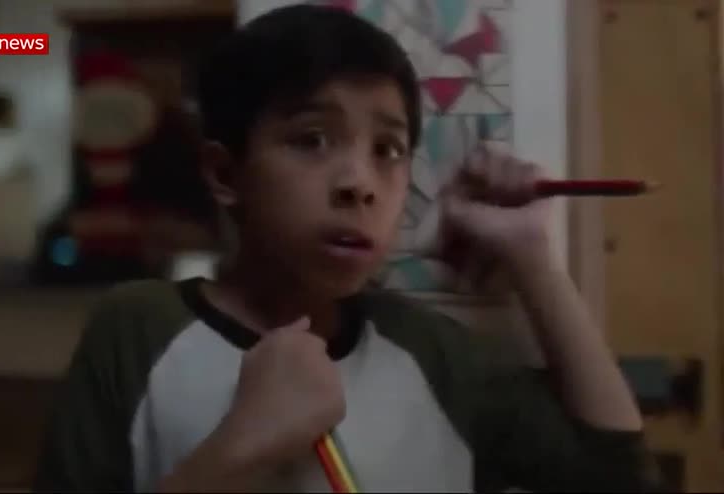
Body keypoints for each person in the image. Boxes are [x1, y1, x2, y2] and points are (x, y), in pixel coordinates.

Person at [34, 5, 664, 492]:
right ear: (225, 174)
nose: (360, 183)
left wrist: (531, 256)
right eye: (311, 139)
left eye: (387, 150)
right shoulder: (137, 329)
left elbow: (617, 478)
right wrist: (239, 449)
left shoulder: (431, 354)